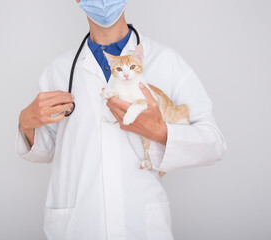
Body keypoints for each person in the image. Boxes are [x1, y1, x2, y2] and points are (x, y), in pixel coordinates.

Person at [15, 0, 227, 239]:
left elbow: (213, 142)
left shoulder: (166, 61)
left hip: (139, 224)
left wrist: (160, 132)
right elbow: (47, 150)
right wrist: (27, 124)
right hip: (80, 225)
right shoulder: (60, 70)